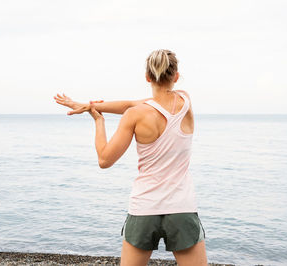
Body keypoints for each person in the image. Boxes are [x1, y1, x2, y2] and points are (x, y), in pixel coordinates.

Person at [54, 49, 208, 266]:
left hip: (145, 207)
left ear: (147, 77)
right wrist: (92, 104)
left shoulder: (135, 115)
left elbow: (104, 160)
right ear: (175, 76)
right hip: (181, 207)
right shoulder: (185, 101)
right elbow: (136, 103)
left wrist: (98, 120)